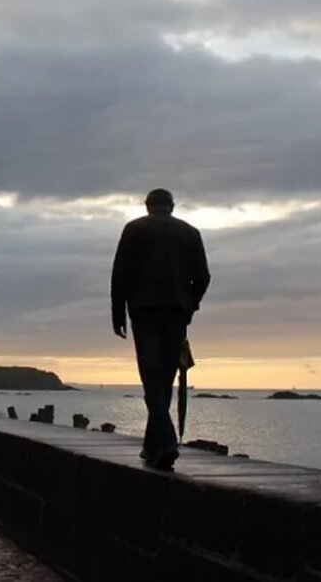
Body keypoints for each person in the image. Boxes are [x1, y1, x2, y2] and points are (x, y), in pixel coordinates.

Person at [111, 188, 210, 471]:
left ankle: (165, 442)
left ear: (147, 206)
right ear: (172, 206)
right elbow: (202, 276)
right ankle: (152, 446)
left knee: (151, 374)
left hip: (144, 310)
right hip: (177, 311)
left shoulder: (134, 229)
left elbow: (120, 274)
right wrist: (191, 304)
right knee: (165, 375)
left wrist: (118, 313)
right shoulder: (190, 232)